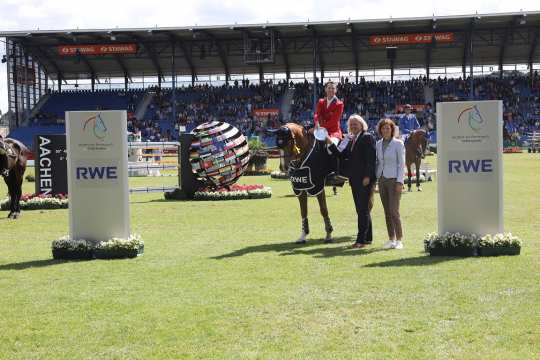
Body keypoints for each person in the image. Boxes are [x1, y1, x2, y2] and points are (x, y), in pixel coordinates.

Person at [327, 115, 376, 248]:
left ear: (362, 125)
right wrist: (329, 142)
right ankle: (367, 238)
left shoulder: (367, 137)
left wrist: (368, 176)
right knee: (362, 209)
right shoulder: (351, 139)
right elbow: (341, 155)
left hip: (364, 179)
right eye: (351, 124)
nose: (353, 126)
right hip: (354, 179)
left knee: (362, 210)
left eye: (356, 124)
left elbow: (371, 159)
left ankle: (360, 240)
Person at [376, 118, 405, 250]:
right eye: (383, 128)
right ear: (380, 130)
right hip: (382, 180)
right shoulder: (378, 144)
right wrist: (377, 179)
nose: (385, 130)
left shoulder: (398, 144)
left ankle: (399, 240)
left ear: (392, 130)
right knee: (387, 212)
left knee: (394, 211)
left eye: (388, 128)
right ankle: (391, 239)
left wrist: (400, 181)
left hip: (394, 180)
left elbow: (401, 164)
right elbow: (378, 162)